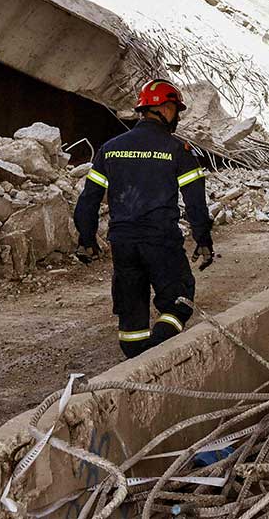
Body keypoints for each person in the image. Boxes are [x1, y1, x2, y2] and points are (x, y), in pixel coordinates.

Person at [73, 79, 213, 358]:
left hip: (123, 244)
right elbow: (195, 201)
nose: (177, 116)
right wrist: (203, 239)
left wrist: (86, 239)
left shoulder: (110, 149)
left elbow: (88, 199)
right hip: (161, 241)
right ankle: (155, 352)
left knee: (131, 319)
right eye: (176, 110)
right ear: (165, 108)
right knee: (179, 303)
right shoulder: (178, 150)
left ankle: (137, 357)